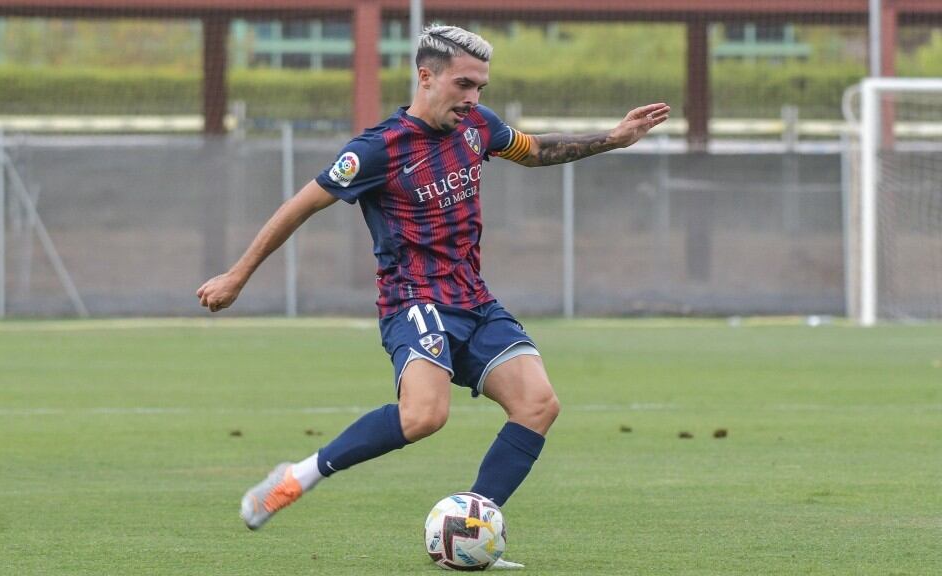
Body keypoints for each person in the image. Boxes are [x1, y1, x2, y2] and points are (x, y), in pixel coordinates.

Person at [196, 24, 668, 565]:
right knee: (424, 416)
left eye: (481, 88)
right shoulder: (377, 150)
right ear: (426, 77)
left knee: (538, 404)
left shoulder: (478, 129)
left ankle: (468, 528)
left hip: (474, 300)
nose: (473, 98)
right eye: (464, 84)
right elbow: (299, 206)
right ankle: (296, 477)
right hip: (414, 301)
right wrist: (237, 275)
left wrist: (614, 137)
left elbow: (534, 151)